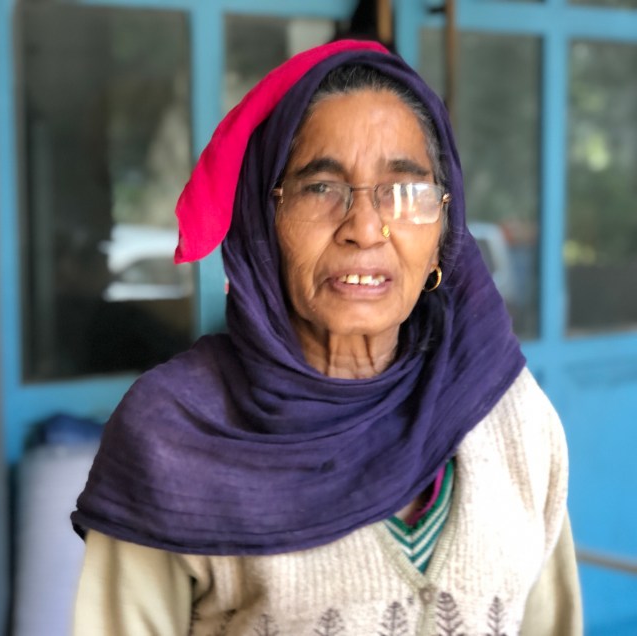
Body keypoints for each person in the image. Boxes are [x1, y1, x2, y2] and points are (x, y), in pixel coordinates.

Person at [70, 39, 582, 635]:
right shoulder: (175, 438)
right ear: (262, 222)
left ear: (443, 232)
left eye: (405, 190)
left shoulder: (515, 420)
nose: (365, 227)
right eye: (321, 189)